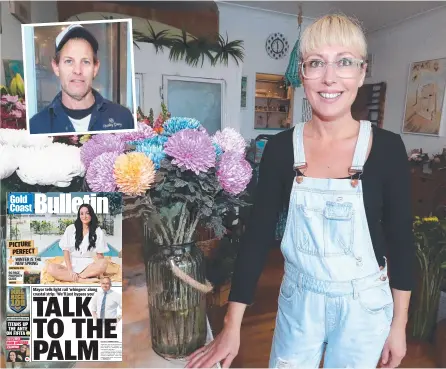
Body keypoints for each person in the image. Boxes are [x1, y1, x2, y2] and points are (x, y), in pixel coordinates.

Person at [186, 14, 415, 369]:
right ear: (303, 74)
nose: (329, 78)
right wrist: (232, 325)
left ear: (362, 71)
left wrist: (398, 325)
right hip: (299, 301)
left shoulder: (386, 149)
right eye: (316, 63)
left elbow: (401, 241)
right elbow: (257, 237)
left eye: (344, 62)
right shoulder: (280, 149)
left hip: (365, 307)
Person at [29, 23, 135, 134]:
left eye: (85, 61)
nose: (78, 70)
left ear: (95, 68)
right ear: (56, 67)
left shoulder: (123, 118)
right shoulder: (37, 126)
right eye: (69, 61)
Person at [46, 204, 109, 283]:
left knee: (104, 262)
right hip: (70, 264)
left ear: (91, 215)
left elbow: (99, 254)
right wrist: (70, 271)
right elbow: (66, 251)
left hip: (88, 265)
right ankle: (81, 280)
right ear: (79, 215)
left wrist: (101, 273)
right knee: (50, 268)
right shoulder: (71, 228)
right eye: (81, 214)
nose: (84, 216)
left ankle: (81, 276)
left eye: (87, 213)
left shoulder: (98, 231)